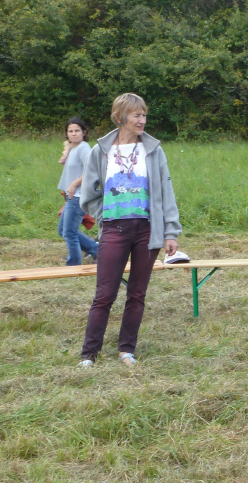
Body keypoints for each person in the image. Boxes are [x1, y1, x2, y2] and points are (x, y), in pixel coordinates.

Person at [77, 93, 181, 368]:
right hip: (114, 230)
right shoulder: (101, 150)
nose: (142, 120)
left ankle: (126, 350)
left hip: (147, 230)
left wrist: (170, 232)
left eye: (144, 115)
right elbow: (87, 194)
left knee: (136, 293)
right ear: (121, 117)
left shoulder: (154, 150)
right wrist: (104, 217)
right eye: (137, 115)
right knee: (105, 294)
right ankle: (89, 354)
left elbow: (166, 193)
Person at [57, 117, 98, 266]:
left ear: (84, 132)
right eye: (70, 131)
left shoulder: (83, 148)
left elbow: (91, 171)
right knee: (63, 230)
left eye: (77, 131)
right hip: (71, 196)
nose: (74, 134)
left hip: (78, 196)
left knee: (69, 232)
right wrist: (66, 152)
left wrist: (74, 185)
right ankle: (96, 250)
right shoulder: (74, 148)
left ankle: (73, 265)